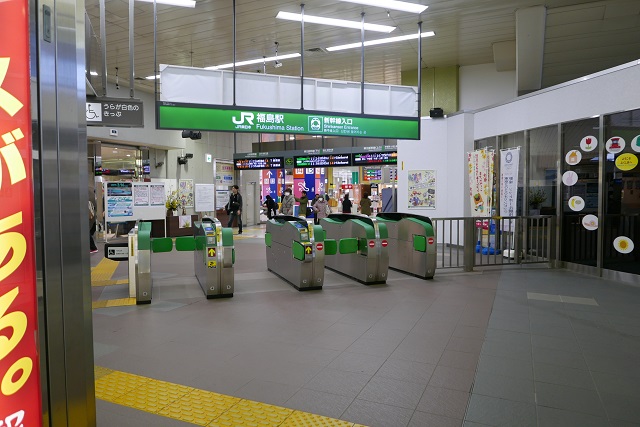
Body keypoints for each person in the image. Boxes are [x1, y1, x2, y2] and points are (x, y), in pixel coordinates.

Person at [89, 189, 98, 253]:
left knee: (87, 234)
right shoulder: (92, 200)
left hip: (90, 220)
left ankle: (93, 248)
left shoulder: (88, 201)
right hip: (92, 219)